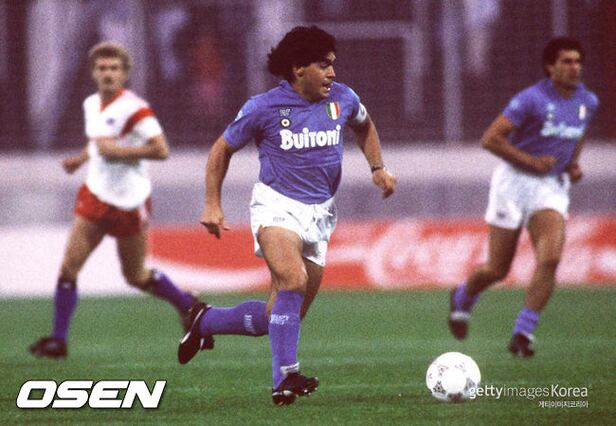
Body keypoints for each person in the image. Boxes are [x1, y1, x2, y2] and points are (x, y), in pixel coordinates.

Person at [178, 26, 396, 405]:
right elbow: (220, 150)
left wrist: (377, 167)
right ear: (298, 68)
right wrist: (212, 203)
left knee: (277, 315)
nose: (332, 73)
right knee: (292, 281)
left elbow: (365, 125)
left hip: (321, 214)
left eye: (332, 65)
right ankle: (285, 379)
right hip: (276, 206)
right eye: (323, 65)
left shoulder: (343, 98)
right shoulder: (263, 107)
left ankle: (205, 320)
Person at [29, 42, 196, 359]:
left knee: (136, 276)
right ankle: (58, 341)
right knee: (68, 267)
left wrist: (118, 152)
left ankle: (187, 304)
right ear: (94, 73)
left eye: (114, 68)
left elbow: (161, 150)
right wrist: (80, 159)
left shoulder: (136, 110)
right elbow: (98, 141)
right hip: (95, 195)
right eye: (102, 68)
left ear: (124, 74)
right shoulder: (91, 104)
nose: (108, 73)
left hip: (129, 202)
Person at [448, 37, 599, 357]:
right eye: (567, 61)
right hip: (513, 183)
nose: (574, 67)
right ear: (550, 67)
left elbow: (579, 133)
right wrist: (531, 161)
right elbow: (490, 139)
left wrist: (572, 164)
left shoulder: (587, 101)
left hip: (550, 187)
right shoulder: (531, 99)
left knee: (551, 258)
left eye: (577, 61)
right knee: (497, 269)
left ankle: (523, 332)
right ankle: (462, 296)